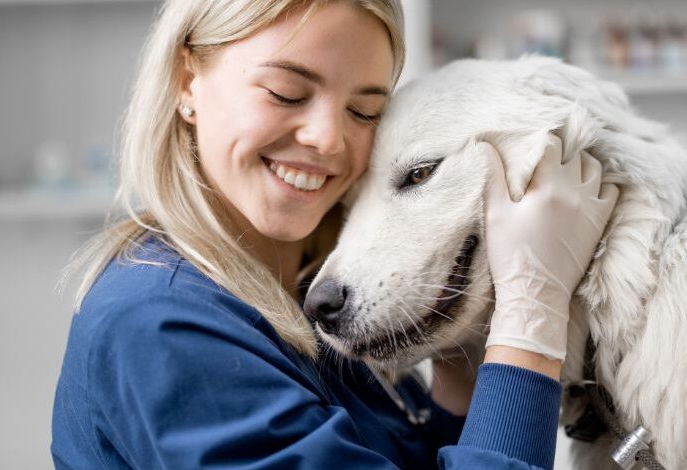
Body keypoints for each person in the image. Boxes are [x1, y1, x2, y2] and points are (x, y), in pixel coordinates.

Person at [50, 1, 618, 469]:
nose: (328, 139)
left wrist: (459, 333)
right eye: (286, 94)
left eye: (364, 112)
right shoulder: (160, 326)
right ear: (186, 83)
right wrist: (531, 312)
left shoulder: (295, 295)